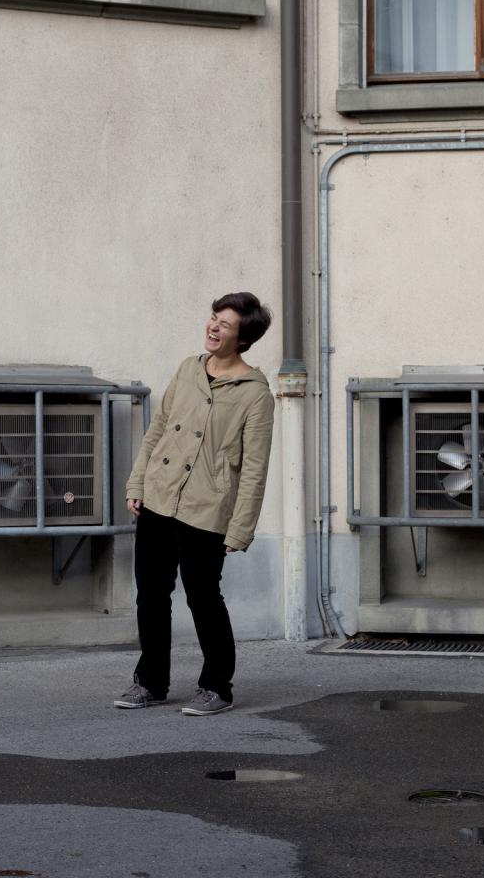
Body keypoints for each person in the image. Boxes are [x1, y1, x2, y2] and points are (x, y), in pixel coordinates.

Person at [115, 292, 275, 716]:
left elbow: (254, 468)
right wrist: (138, 481)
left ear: (243, 338)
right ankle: (150, 682)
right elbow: (159, 428)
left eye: (225, 324)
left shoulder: (255, 394)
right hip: (159, 496)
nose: (213, 327)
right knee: (151, 595)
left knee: (203, 597)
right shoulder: (189, 369)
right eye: (213, 318)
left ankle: (217, 687)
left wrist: (241, 527)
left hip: (207, 508)